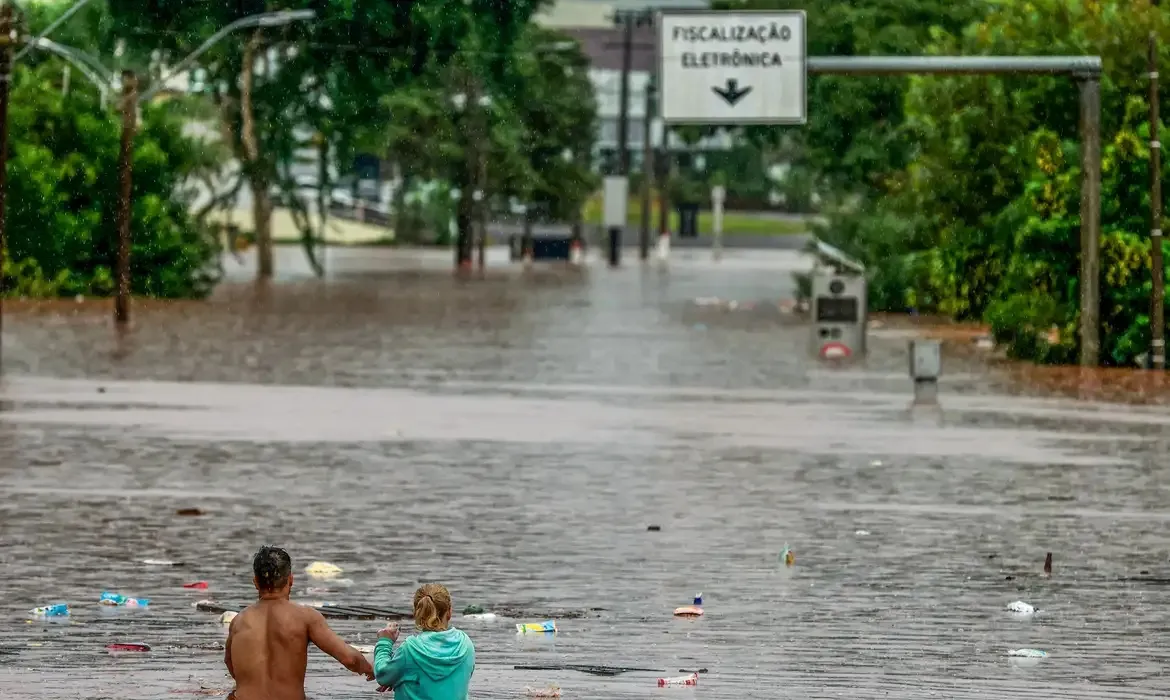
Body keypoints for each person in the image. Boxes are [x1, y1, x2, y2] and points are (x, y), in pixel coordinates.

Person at [224, 545, 374, 700]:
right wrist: (370, 669)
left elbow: (229, 662)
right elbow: (349, 659)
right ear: (291, 580)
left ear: (255, 582)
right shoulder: (305, 617)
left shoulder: (238, 621)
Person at [373, 583, 475, 699]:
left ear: (417, 613)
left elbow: (382, 675)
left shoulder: (410, 649)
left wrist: (384, 642)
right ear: (450, 612)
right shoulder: (466, 644)